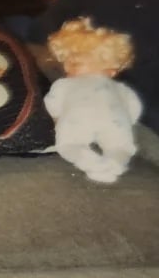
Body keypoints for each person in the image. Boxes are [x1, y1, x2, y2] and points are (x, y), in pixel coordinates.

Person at [44, 16, 143, 184]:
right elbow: (134, 108)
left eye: (75, 64)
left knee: (69, 144)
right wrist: (127, 121)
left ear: (111, 70)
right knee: (121, 146)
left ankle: (89, 162)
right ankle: (115, 163)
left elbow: (52, 105)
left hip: (77, 119)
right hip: (115, 120)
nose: (68, 68)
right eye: (67, 64)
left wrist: (56, 116)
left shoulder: (66, 84)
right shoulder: (121, 89)